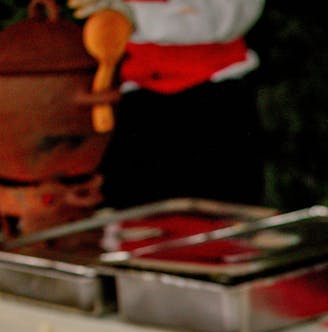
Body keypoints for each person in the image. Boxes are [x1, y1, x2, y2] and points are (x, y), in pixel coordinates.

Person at [67, 0, 267, 209]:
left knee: (220, 217)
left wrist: (135, 16)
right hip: (132, 100)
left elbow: (229, 17)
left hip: (212, 99)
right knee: (135, 218)